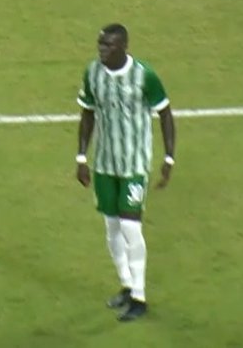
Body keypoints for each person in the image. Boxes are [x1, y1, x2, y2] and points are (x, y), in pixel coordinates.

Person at [74, 23, 177, 322]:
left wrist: (169, 158)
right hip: (105, 164)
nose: (102, 50)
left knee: (131, 228)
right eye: (100, 44)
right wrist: (81, 157)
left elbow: (165, 114)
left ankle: (140, 298)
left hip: (134, 164)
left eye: (108, 45)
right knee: (112, 228)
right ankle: (127, 285)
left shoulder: (145, 75)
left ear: (123, 46)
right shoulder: (93, 73)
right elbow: (87, 114)